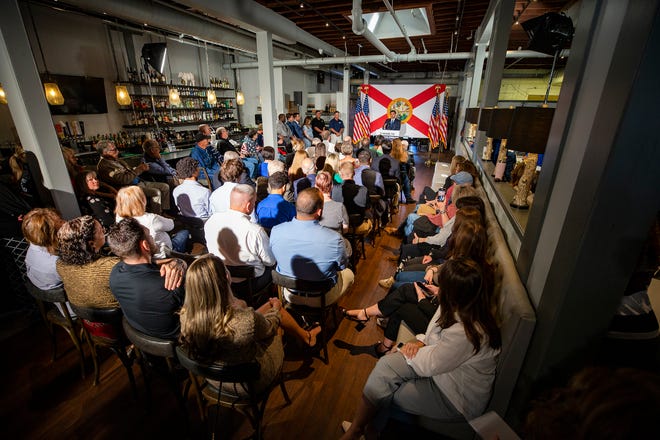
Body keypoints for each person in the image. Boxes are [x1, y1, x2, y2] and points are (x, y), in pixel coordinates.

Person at [340, 258, 501, 439]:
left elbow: (432, 364)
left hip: (454, 396)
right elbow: (433, 336)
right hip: (442, 372)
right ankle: (363, 429)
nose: (438, 290)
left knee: (386, 388)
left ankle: (366, 432)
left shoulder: (468, 331)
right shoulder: (461, 307)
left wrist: (401, 349)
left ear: (455, 293)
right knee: (385, 367)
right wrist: (419, 341)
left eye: (443, 287)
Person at [178, 254, 322, 396]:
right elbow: (269, 326)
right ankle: (305, 338)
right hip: (249, 383)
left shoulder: (186, 316)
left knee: (269, 308)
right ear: (226, 278)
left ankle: (306, 336)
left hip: (213, 379)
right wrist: (276, 308)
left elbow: (246, 321)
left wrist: (251, 307)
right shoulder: (245, 319)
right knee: (276, 319)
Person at [270, 188, 354, 307]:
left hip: (289, 294)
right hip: (322, 297)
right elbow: (342, 266)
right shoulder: (335, 239)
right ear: (319, 212)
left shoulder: (276, 231)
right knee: (349, 274)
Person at [107, 218, 185, 339]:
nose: (152, 238)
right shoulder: (170, 283)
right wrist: (182, 263)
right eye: (149, 235)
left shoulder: (115, 272)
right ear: (145, 245)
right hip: (176, 339)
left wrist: (177, 261)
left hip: (140, 336)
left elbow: (150, 263)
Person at [204, 184, 275, 300]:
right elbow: (270, 261)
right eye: (254, 202)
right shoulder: (255, 231)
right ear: (248, 206)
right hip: (249, 283)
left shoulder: (211, 221)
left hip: (221, 278)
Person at [56, 215, 121, 309]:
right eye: (101, 231)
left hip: (81, 314)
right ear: (91, 243)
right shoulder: (110, 266)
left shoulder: (60, 264)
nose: (104, 231)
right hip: (113, 316)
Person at [96, 140, 172, 215]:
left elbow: (130, 171)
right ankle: (157, 215)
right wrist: (139, 169)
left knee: (165, 187)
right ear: (105, 152)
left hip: (139, 182)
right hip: (128, 188)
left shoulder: (117, 160)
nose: (118, 152)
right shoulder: (104, 166)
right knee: (156, 192)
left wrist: (138, 168)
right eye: (114, 150)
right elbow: (123, 180)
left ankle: (164, 211)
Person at [115, 185, 188, 259]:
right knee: (184, 232)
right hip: (162, 254)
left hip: (138, 255)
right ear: (142, 201)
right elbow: (171, 225)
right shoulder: (152, 219)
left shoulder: (119, 218)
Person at [332, 162, 372, 236]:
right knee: (370, 221)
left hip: (339, 227)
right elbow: (367, 209)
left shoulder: (334, 190)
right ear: (354, 173)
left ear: (340, 174)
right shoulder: (363, 190)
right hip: (357, 226)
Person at [391, 138, 415, 204]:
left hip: (391, 176)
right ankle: (408, 198)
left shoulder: (390, 154)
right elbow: (408, 165)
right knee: (405, 177)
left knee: (404, 176)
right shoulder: (404, 154)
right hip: (400, 177)